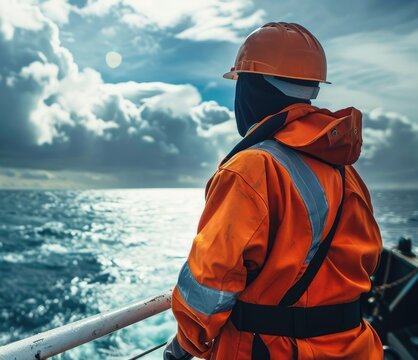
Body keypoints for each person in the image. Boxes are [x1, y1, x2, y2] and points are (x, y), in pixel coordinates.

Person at [164, 22, 383, 359]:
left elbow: (212, 280)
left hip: (274, 351)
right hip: (354, 348)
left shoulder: (251, 168)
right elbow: (366, 261)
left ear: (251, 88)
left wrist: (184, 345)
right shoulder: (344, 172)